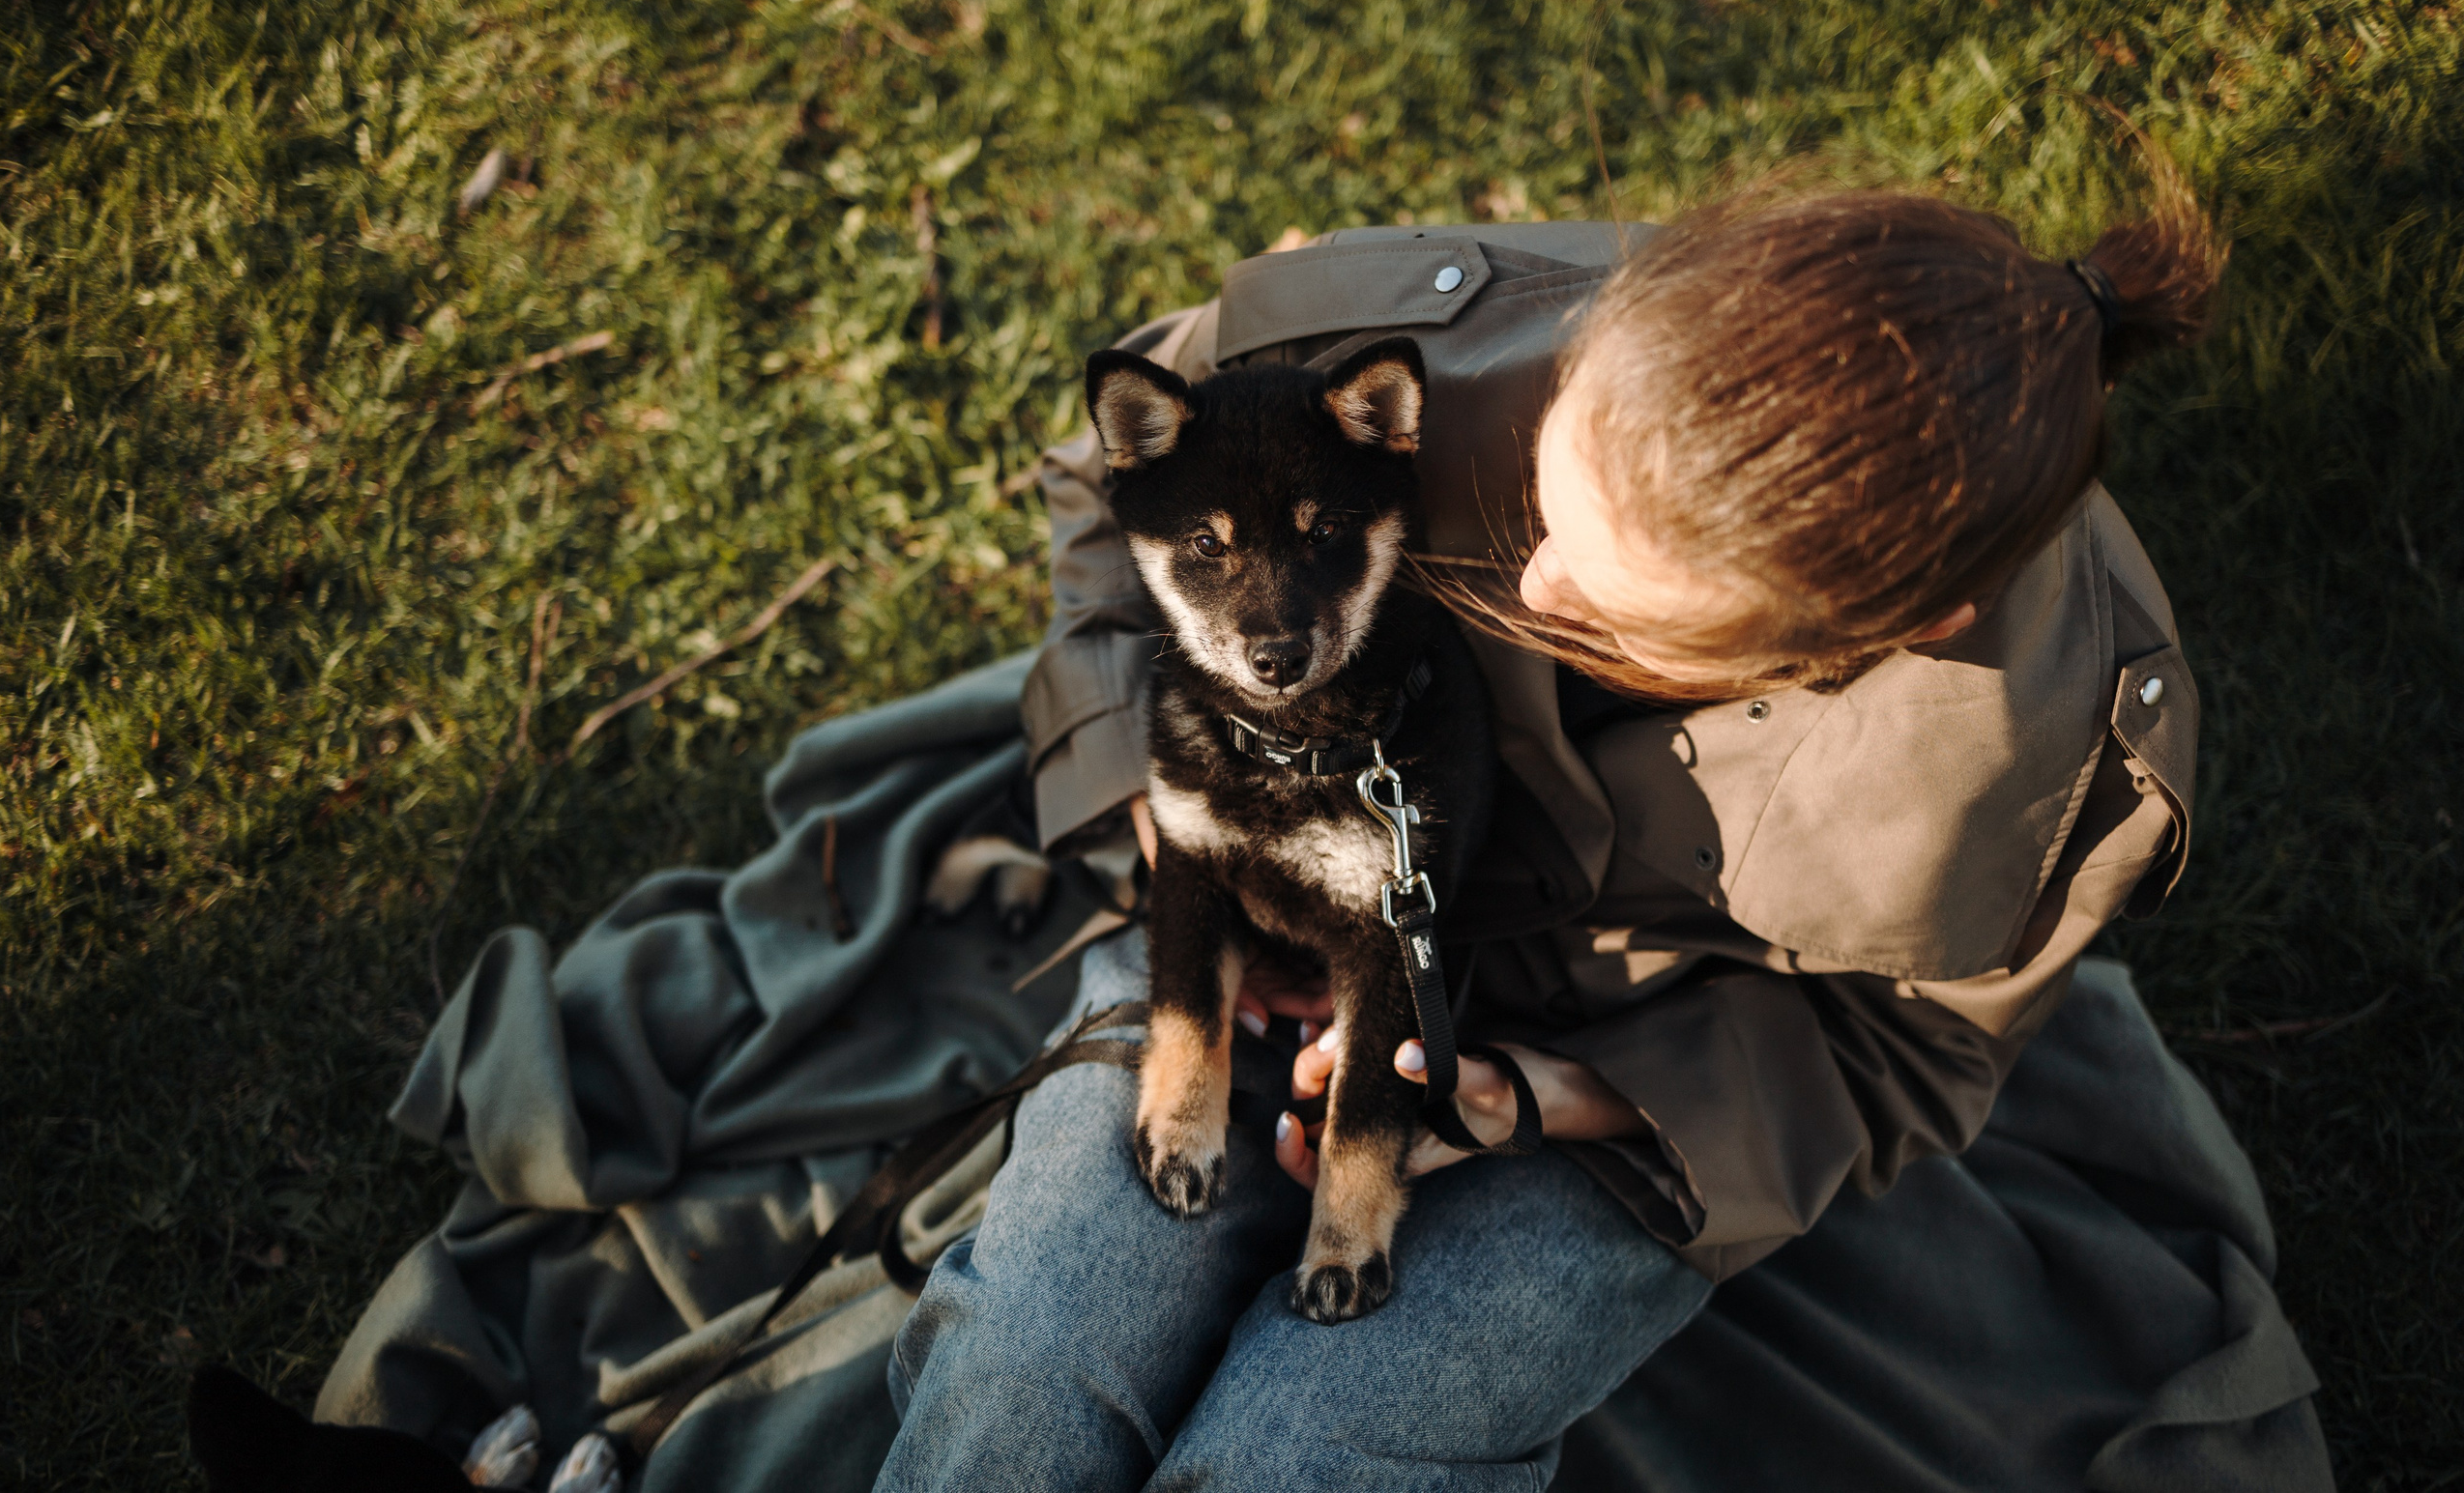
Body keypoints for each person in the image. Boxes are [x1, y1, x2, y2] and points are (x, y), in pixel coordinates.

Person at [873, 186, 2323, 1491]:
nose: (1543, 580)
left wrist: (1546, 1096)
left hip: (1611, 1076)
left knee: (1306, 1452)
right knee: (1038, 1357)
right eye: (1548, 503)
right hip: (1251, 915)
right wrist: (1153, 788)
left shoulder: (2041, 777)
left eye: (1627, 609)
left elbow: (1907, 1057)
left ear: (1884, 637)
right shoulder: (1422, 337)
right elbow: (1107, 480)